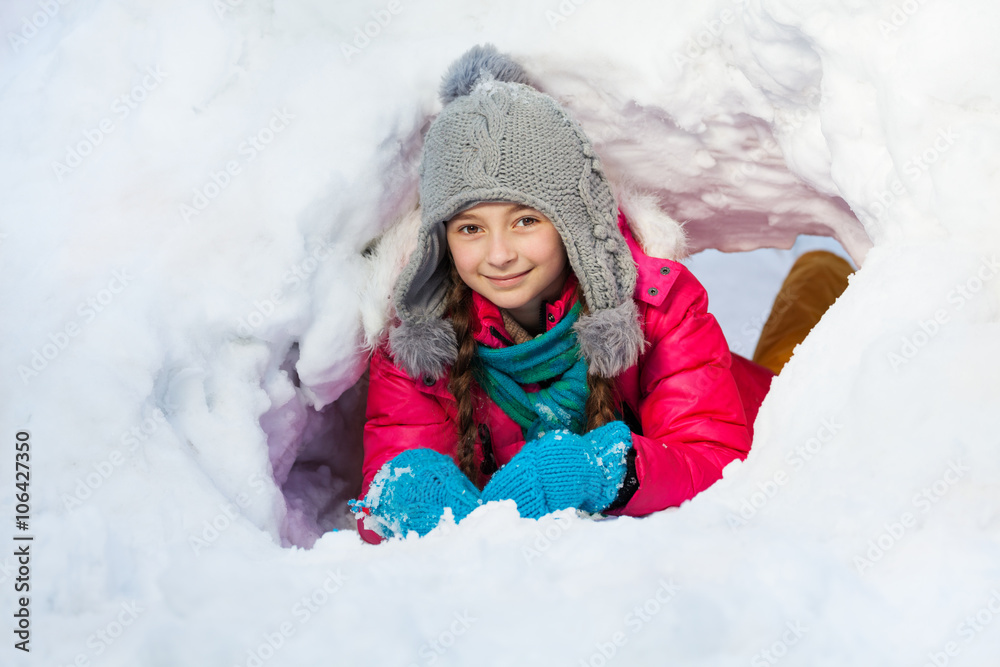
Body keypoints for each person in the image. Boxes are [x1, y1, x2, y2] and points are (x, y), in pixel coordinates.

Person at [350, 44, 812, 544]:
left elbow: (713, 459)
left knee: (796, 355)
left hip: (767, 405)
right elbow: (383, 488)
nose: (499, 254)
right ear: (441, 238)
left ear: (569, 222)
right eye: (470, 228)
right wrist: (402, 496)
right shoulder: (422, 342)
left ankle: (820, 270)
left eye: (525, 220)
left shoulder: (660, 303)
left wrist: (600, 470)